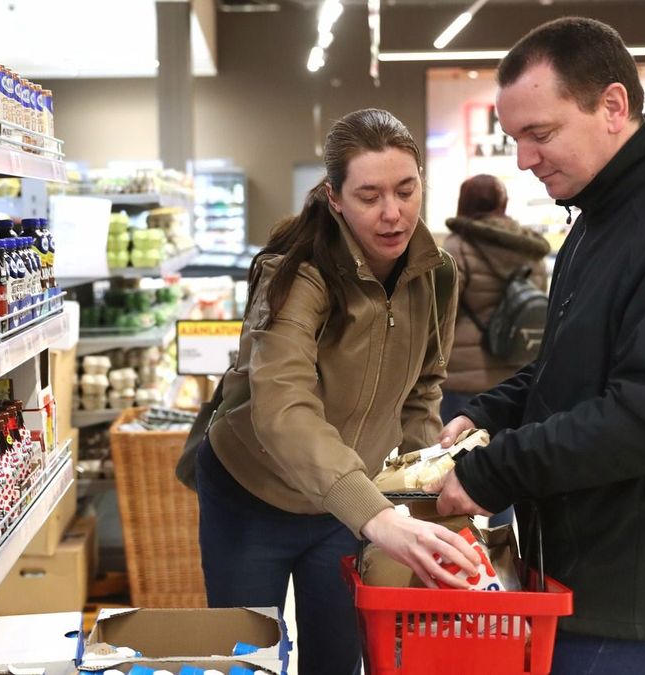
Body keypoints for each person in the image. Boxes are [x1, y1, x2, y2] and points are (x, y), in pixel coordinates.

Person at [430, 17, 645, 674]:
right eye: (516, 137)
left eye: (540, 133)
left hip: (641, 601)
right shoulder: (598, 219)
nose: (524, 158)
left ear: (613, 106)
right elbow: (570, 365)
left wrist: (492, 473)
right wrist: (491, 411)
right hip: (587, 579)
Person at [194, 108, 479, 675]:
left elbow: (424, 387)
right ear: (335, 197)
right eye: (370, 196)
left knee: (340, 658)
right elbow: (283, 407)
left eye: (406, 190)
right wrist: (375, 516)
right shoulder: (297, 275)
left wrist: (416, 488)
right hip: (253, 494)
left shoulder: (436, 273)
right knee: (246, 662)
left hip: (348, 507)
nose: (392, 213)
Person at [441, 174, 550, 529]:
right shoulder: (531, 248)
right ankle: (502, 545)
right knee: (498, 468)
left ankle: (459, 550)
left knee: (453, 466)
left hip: (464, 375)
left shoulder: (457, 247)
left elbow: (443, 312)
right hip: (516, 375)